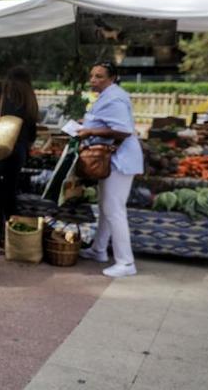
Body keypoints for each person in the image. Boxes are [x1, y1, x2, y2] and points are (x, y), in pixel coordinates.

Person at [77, 61, 143, 278]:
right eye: (92, 75)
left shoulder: (113, 97)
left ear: (112, 78)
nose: (93, 80)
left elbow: (123, 130)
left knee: (114, 209)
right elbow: (109, 123)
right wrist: (88, 124)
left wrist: (89, 131)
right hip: (115, 158)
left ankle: (126, 263)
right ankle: (98, 250)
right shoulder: (109, 95)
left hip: (120, 160)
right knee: (107, 207)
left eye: (99, 76)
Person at [0, 66, 39, 253]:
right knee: (10, 190)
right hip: (18, 149)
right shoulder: (28, 95)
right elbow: (32, 126)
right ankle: (11, 236)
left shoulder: (1, 89)